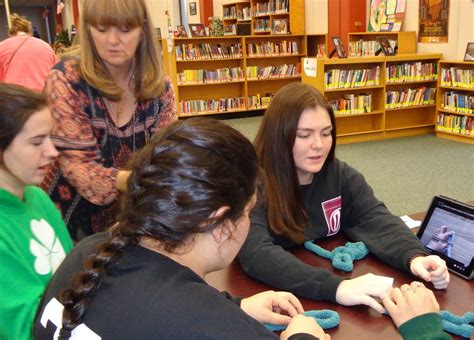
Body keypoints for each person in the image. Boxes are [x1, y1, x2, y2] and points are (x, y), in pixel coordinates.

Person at [34, 118, 328, 340]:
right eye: (249, 210)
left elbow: (141, 316)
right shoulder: (203, 323)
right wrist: (303, 335)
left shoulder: (89, 250)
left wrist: (237, 308)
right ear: (219, 222)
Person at [238, 82, 450, 314]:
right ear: (279, 136)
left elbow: (373, 217)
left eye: (326, 133)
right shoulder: (251, 183)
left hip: (321, 275)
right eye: (304, 135)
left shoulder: (339, 174)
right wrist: (337, 288)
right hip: (273, 297)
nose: (318, 145)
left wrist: (414, 256)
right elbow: (256, 253)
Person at [40, 0, 177, 242]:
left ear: (142, 30)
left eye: (125, 30)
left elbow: (167, 153)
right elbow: (79, 170)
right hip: (71, 218)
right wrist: (144, 180)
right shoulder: (65, 79)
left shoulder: (160, 87)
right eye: (101, 29)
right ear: (88, 30)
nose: (113, 41)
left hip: (133, 215)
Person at [0, 83, 73, 340]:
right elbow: (27, 329)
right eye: (36, 142)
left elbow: (73, 272)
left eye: (50, 138)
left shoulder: (37, 197)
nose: (52, 152)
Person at [0, 13, 57, 91]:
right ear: (30, 32)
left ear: (10, 34)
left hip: (15, 97)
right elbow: (55, 75)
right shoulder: (46, 46)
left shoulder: (2, 47)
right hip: (42, 96)